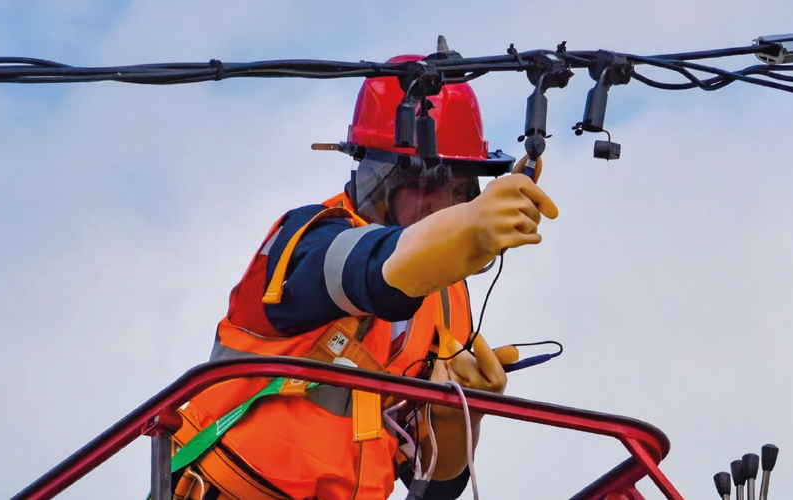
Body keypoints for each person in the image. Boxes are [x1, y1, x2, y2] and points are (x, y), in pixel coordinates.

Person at [168, 54, 559, 500]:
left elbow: (429, 491)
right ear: (385, 177)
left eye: (463, 186)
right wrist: (464, 231)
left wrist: (459, 420)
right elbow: (370, 271)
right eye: (436, 181)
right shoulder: (304, 242)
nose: (449, 203)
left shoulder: (448, 302)